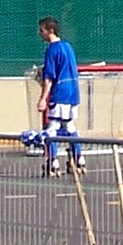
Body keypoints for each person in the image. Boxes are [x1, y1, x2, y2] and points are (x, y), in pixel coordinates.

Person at [35, 16, 83, 175]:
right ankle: (79, 158)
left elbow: (49, 76)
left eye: (42, 30)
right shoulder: (68, 47)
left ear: (50, 31)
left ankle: (53, 161)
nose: (40, 33)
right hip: (73, 92)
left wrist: (43, 98)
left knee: (52, 127)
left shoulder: (52, 50)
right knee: (69, 126)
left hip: (60, 93)